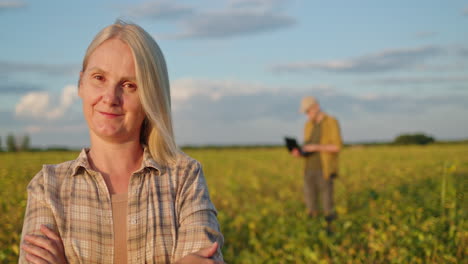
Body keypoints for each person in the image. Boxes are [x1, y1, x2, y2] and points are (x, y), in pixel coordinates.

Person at [19, 20, 224, 264]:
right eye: (99, 78)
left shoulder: (185, 178)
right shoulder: (47, 188)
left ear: (151, 97)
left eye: (129, 85)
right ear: (80, 84)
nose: (110, 97)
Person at [291, 96, 342, 224]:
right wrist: (300, 152)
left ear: (316, 107)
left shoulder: (331, 122)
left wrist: (316, 147)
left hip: (324, 169)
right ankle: (313, 231)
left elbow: (337, 147)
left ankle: (331, 232)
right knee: (310, 205)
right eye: (305, 113)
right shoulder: (308, 125)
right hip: (308, 169)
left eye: (308, 112)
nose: (307, 115)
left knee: (327, 206)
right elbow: (307, 146)